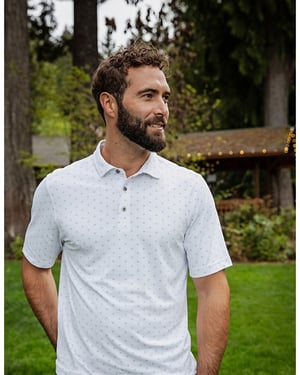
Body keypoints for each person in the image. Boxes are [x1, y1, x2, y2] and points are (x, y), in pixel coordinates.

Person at [22, 42, 232, 375]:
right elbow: (35, 268)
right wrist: (66, 345)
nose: (162, 108)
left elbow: (213, 288)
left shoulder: (189, 189)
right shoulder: (59, 188)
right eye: (148, 96)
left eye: (165, 97)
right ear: (110, 104)